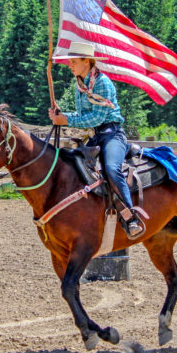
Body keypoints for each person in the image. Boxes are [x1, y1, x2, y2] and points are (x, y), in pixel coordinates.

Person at [49, 42, 146, 240]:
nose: (70, 65)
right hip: (93, 137)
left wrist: (65, 120)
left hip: (111, 135)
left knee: (111, 168)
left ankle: (130, 216)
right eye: (70, 62)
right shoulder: (80, 85)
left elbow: (97, 118)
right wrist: (62, 115)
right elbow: (82, 114)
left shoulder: (102, 83)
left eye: (74, 61)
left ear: (87, 61)